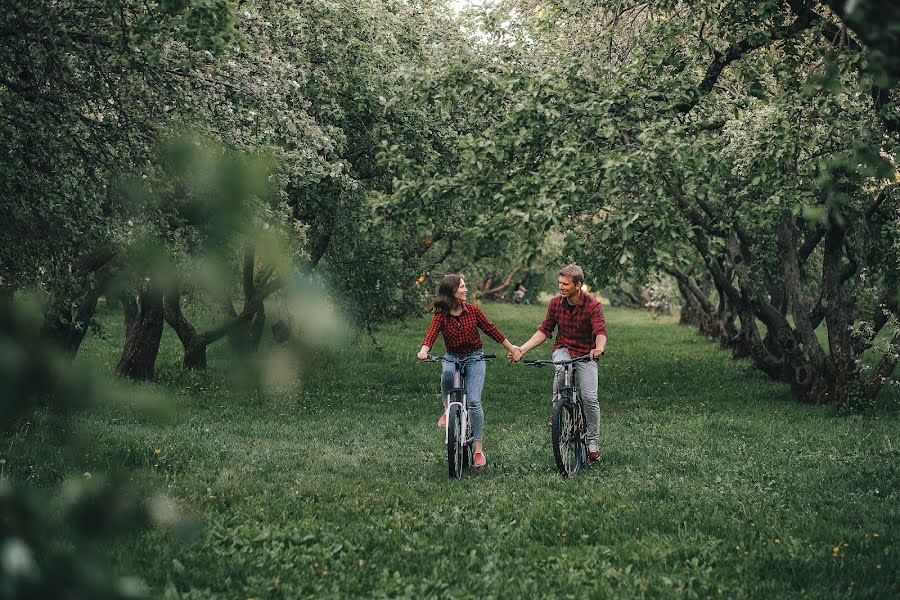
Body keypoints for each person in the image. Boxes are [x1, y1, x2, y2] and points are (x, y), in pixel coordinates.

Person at [417, 273, 519, 468]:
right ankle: (448, 409)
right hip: (452, 356)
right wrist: (424, 350)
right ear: (451, 291)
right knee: (447, 374)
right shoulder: (441, 314)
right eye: (462, 286)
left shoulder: (473, 311)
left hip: (475, 358)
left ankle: (478, 448)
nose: (465, 290)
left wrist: (512, 347)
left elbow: (491, 329)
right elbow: (431, 333)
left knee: (473, 401)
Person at [509, 263, 607, 460]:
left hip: (587, 353)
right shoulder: (555, 303)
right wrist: (522, 348)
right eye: (560, 283)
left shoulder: (593, 305)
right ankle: (557, 408)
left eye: (565, 284)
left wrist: (599, 348)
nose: (561, 287)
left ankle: (593, 441)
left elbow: (600, 332)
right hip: (564, 348)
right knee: (562, 370)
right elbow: (545, 330)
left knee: (589, 397)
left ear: (578, 285)